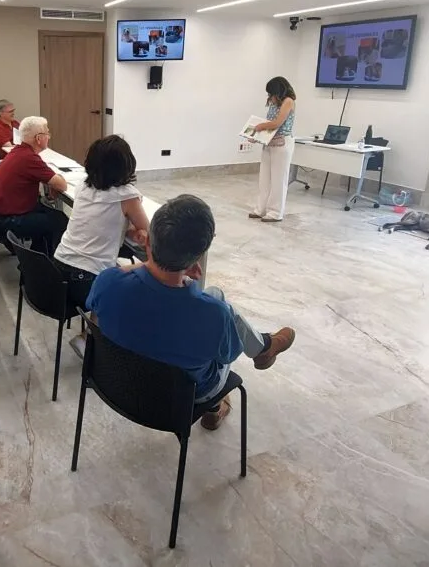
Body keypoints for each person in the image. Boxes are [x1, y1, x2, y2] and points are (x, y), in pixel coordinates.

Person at [87, 194, 296, 430]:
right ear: (196, 261)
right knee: (221, 309)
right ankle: (258, 354)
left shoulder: (107, 280)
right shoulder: (213, 314)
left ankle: (264, 348)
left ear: (147, 244)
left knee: (215, 297)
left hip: (117, 383)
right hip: (183, 398)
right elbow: (226, 356)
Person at [54, 135, 149, 318]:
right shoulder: (127, 196)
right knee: (140, 286)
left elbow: (101, 222)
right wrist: (135, 231)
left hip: (59, 268)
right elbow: (150, 232)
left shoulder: (82, 186)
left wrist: (126, 230)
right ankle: (91, 336)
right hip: (87, 279)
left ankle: (89, 333)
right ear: (126, 165)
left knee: (114, 278)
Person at [0, 116, 69, 251]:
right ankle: (50, 262)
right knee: (60, 221)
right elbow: (62, 185)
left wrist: (52, 184)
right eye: (47, 133)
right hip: (13, 218)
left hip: (2, 214)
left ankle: (38, 258)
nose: (49, 136)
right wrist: (55, 181)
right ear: (38, 138)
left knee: (54, 215)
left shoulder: (18, 152)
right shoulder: (29, 158)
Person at [249, 76, 296, 222]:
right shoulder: (273, 102)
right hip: (269, 143)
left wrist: (260, 127)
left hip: (282, 144)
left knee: (278, 179)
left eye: (271, 93)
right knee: (265, 178)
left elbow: (277, 123)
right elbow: (268, 124)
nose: (270, 97)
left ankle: (275, 212)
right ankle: (261, 209)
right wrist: (256, 135)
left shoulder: (288, 101)